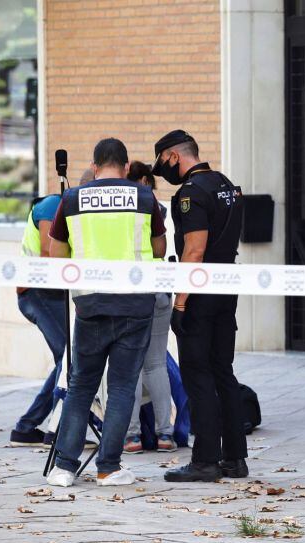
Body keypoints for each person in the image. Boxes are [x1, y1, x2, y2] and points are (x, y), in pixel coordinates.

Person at [45, 138, 167, 486]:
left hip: (91, 304)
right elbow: (160, 248)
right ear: (127, 167)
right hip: (136, 303)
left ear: (95, 167)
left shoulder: (71, 199)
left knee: (81, 385)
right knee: (122, 387)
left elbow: (56, 254)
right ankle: (108, 467)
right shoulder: (144, 197)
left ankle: (65, 467)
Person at [152, 130, 248, 482]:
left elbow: (194, 251)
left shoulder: (191, 194)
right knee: (224, 371)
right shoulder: (227, 185)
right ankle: (235, 459)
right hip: (228, 290)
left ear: (174, 157)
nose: (161, 169)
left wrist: (180, 305)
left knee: (198, 375)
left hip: (201, 293)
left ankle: (206, 460)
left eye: (162, 161)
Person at [122, 161, 176, 454]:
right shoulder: (154, 207)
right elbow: (160, 250)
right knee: (156, 365)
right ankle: (165, 435)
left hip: (130, 292)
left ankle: (131, 437)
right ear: (144, 180)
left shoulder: (119, 208)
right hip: (157, 288)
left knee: (130, 367)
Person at [8, 192, 66, 446]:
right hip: (37, 291)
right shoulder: (53, 204)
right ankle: (44, 428)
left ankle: (33, 427)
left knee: (69, 359)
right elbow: (47, 250)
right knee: (70, 358)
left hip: (50, 293)